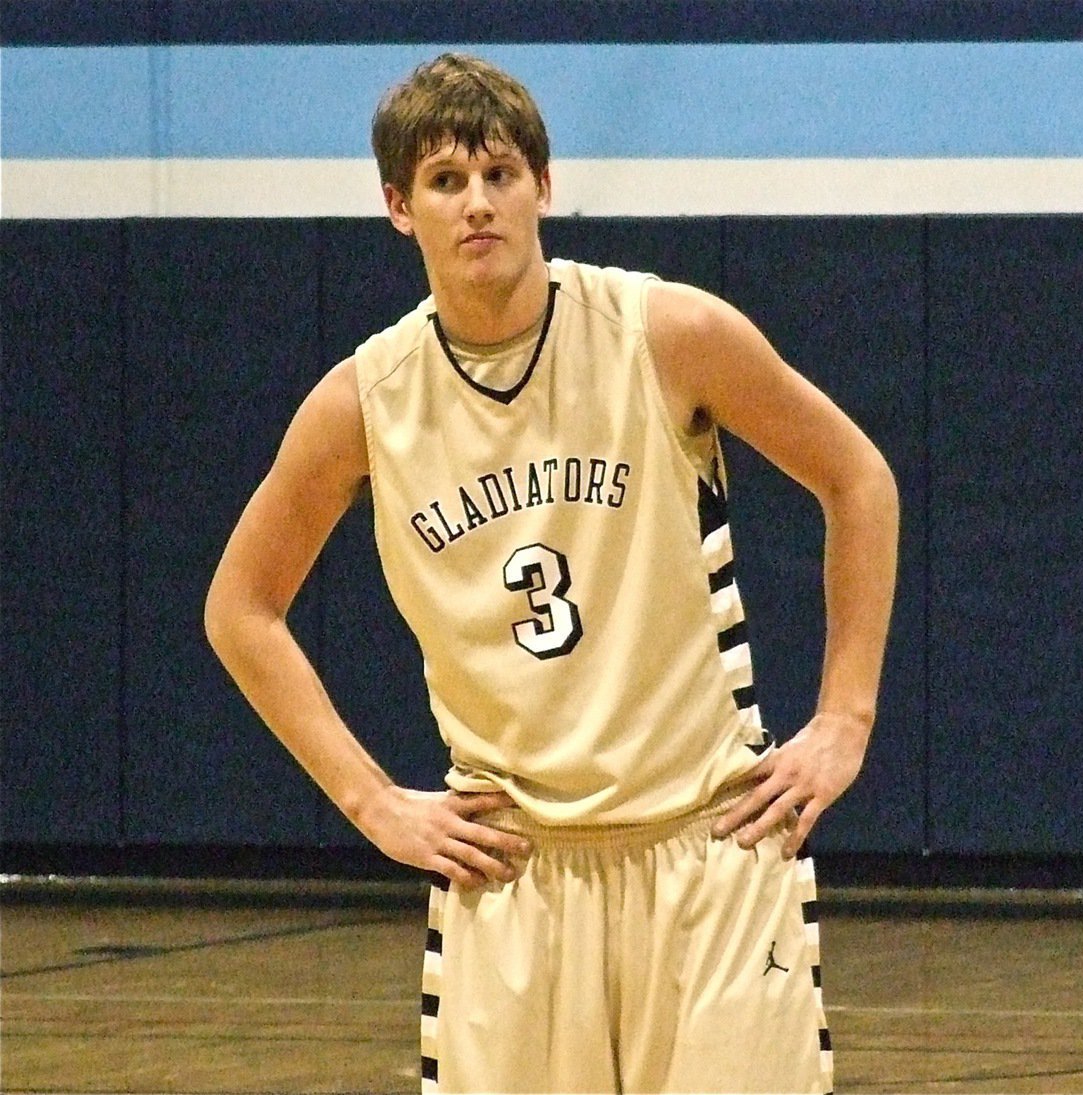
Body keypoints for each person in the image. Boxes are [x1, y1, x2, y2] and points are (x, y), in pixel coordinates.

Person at [205, 52, 899, 1094]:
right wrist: (372, 804)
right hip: (513, 868)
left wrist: (845, 717)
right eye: (445, 182)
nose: (476, 203)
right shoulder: (365, 401)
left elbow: (859, 481)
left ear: (544, 185)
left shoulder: (666, 334)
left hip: (708, 840)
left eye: (500, 175)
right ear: (399, 207)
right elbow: (241, 610)